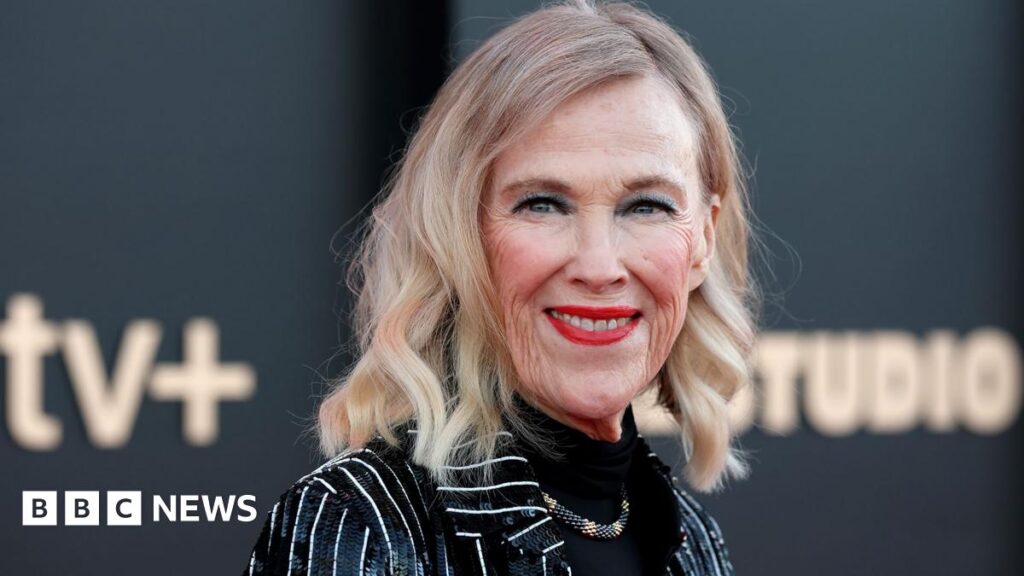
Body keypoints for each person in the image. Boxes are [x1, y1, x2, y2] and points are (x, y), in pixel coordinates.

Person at [243, 1, 760, 574]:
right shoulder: (363, 524)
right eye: (543, 204)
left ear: (703, 240)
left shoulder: (693, 541)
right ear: (462, 232)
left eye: (647, 206)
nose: (598, 265)